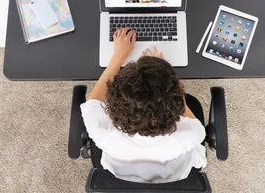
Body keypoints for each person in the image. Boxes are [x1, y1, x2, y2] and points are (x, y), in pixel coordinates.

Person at [80, 27, 207, 183]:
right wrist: (163, 75)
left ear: (113, 99)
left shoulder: (100, 129)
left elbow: (94, 102)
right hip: (173, 175)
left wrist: (118, 56)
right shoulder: (191, 133)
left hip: (122, 174)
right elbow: (181, 104)